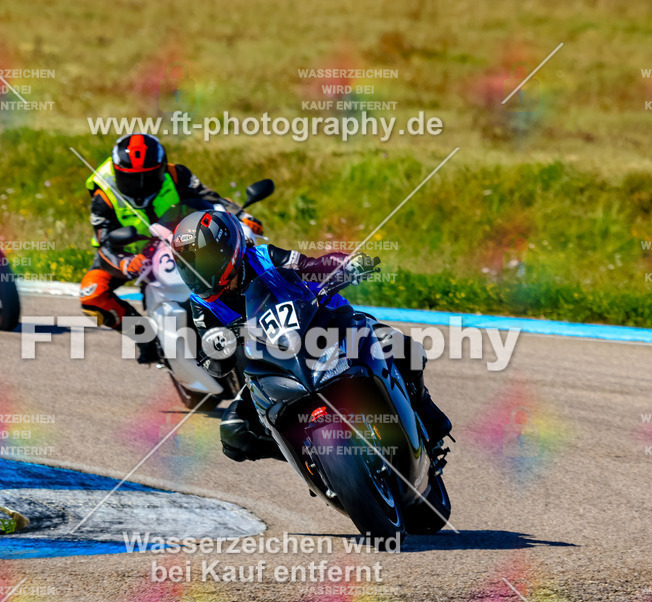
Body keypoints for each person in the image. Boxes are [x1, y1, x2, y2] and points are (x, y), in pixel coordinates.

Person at [170, 209, 452, 463]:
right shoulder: (201, 303)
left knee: (404, 349)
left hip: (328, 327)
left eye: (202, 261)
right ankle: (310, 458)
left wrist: (344, 267)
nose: (197, 272)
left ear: (227, 250)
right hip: (274, 367)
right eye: (188, 265)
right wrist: (215, 352)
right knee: (234, 435)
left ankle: (427, 415)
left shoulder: (265, 257)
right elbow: (214, 357)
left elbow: (310, 267)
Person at [78, 133, 262, 364]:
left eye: (148, 177)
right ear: (117, 172)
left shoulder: (177, 174)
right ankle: (146, 339)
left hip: (179, 239)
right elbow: (104, 243)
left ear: (162, 168)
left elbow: (209, 197)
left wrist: (240, 214)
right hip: (131, 252)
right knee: (92, 294)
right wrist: (126, 262)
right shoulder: (103, 196)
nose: (140, 185)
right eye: (133, 179)